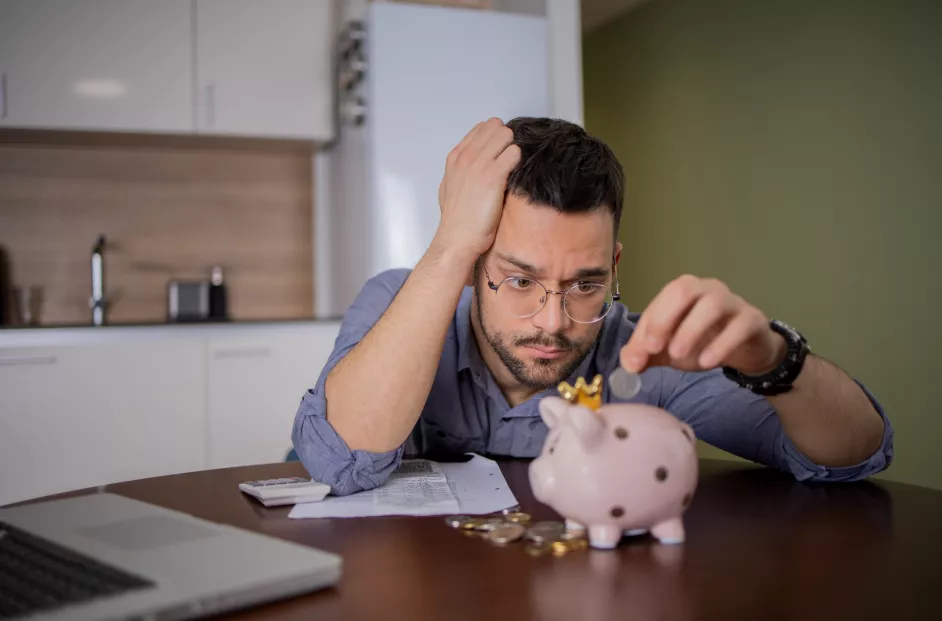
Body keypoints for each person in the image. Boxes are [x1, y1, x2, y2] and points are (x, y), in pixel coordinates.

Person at [292, 117, 893, 495]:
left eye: (585, 284)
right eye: (520, 281)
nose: (553, 323)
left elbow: (854, 456)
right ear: (477, 264)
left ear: (614, 269)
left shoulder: (644, 358)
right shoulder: (401, 297)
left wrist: (773, 359)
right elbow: (340, 458)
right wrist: (449, 248)